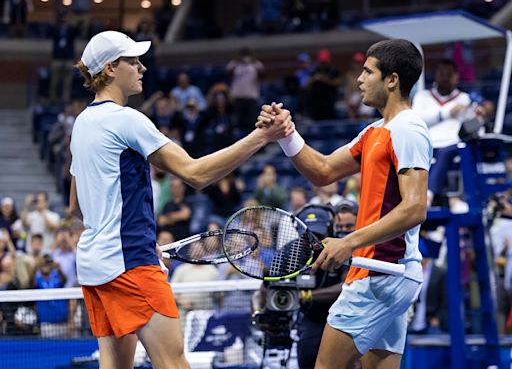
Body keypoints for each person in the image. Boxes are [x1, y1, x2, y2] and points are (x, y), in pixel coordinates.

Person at [70, 30, 293, 369]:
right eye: (133, 61)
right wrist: (262, 136)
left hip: (95, 266)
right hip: (130, 261)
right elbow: (196, 174)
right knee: (173, 363)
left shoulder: (81, 124)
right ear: (111, 68)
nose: (142, 67)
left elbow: (76, 207)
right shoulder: (126, 120)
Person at [258, 39, 432, 368]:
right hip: (387, 274)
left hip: (380, 274)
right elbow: (322, 171)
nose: (359, 79)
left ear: (392, 80)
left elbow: (414, 207)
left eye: (368, 72)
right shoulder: (375, 132)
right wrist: (286, 133)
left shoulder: (408, 130)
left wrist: (347, 242)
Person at [295, 201, 357, 369]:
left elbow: (347, 286)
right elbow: (266, 288)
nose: (314, 239)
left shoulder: (348, 249)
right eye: (341, 226)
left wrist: (306, 296)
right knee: (308, 356)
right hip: (311, 318)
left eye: (349, 226)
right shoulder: (293, 251)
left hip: (345, 317)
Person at [412, 59, 471, 208]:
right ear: (436, 75)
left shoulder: (464, 98)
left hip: (452, 144)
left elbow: (469, 124)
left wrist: (478, 115)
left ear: (456, 77)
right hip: (427, 144)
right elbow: (417, 120)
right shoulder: (422, 96)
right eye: (442, 73)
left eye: (449, 74)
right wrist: (446, 113)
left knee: (446, 153)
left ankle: (429, 196)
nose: (445, 77)